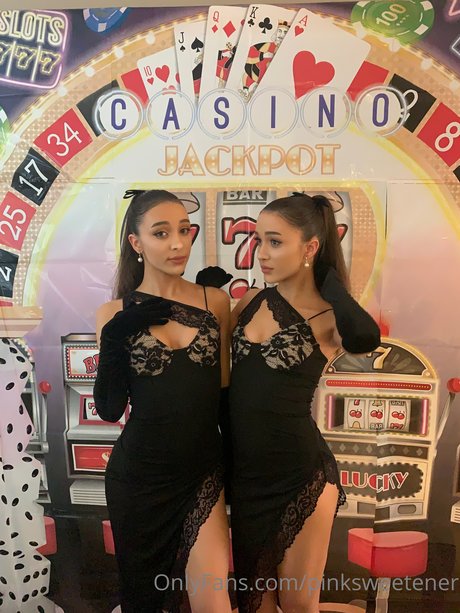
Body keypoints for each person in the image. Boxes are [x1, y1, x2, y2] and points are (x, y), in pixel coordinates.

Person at [229, 193, 381, 613]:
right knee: (253, 603)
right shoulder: (249, 302)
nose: (262, 253)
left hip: (301, 476)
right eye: (258, 240)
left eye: (275, 242)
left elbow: (366, 338)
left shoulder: (331, 317)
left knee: (298, 604)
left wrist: (333, 288)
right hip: (246, 478)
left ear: (310, 247)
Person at [93, 189, 232, 613]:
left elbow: (224, 397)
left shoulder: (215, 301)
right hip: (139, 481)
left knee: (214, 602)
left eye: (184, 231)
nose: (177, 243)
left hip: (201, 474)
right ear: (136, 243)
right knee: (144, 604)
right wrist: (115, 337)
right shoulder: (112, 313)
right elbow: (110, 410)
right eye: (161, 233)